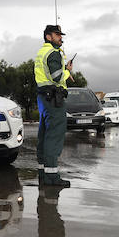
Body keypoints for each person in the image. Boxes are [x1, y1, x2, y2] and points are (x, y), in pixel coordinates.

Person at [34, 24, 73, 187]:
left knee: (44, 135)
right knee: (54, 135)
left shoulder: (42, 52)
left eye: (61, 35)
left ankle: (43, 173)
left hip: (43, 98)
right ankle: (52, 177)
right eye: (57, 35)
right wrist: (68, 71)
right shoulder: (53, 53)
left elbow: (49, 74)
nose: (60, 38)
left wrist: (63, 69)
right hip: (53, 99)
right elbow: (57, 77)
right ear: (48, 37)